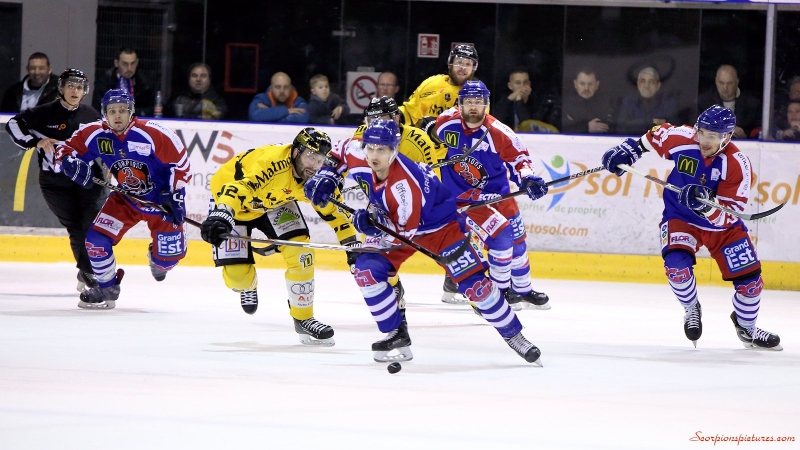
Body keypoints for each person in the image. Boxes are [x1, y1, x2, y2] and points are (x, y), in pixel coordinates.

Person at [304, 119, 542, 365]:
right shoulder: (358, 151)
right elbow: (340, 151)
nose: (374, 155)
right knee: (366, 271)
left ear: (394, 149)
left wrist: (371, 223)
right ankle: (396, 334)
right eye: (371, 148)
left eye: (381, 150)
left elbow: (402, 233)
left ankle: (515, 335)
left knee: (475, 286)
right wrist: (327, 175)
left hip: (440, 227)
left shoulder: (405, 186)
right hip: (394, 221)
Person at [601, 105, 781, 350]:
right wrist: (631, 150)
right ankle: (691, 308)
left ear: (727, 137)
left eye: (712, 136)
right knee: (676, 268)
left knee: (751, 285)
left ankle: (747, 328)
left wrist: (706, 207)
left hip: (722, 228)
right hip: (680, 217)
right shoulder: (683, 138)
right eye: (702, 132)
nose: (704, 140)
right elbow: (656, 135)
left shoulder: (737, 164)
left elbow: (730, 215)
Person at [199, 128, 357, 346]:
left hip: (275, 202)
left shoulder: (318, 177)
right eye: (311, 156)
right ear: (296, 152)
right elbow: (238, 188)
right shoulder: (272, 164)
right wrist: (222, 214)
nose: (314, 165)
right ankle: (248, 287)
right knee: (238, 278)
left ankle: (303, 318)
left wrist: (352, 246)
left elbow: (337, 215)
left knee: (302, 255)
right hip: (234, 204)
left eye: (320, 160)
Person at [54, 89, 192, 309]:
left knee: (165, 263)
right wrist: (69, 163)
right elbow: (64, 149)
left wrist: (173, 194)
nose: (117, 115)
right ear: (105, 114)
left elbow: (181, 165)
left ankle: (158, 256)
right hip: (126, 199)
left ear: (131, 112)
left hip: (161, 203)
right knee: (96, 241)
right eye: (112, 111)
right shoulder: (96, 134)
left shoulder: (154, 133)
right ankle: (107, 287)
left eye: (122, 110)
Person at [432, 80, 551, 309]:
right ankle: (500, 291)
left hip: (499, 196)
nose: (473, 106)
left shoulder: (498, 131)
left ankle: (523, 290)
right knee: (501, 239)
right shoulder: (446, 122)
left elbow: (520, 159)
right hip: (465, 201)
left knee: (518, 244)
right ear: (460, 104)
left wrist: (528, 178)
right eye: (468, 102)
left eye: (478, 102)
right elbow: (429, 132)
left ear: (486, 104)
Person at [5, 69, 103, 291]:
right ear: (61, 88)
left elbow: (107, 141)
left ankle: (88, 271)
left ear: (84, 91)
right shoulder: (44, 112)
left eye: (79, 87)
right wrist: (34, 142)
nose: (75, 90)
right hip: (55, 182)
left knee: (91, 224)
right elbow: (13, 125)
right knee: (75, 227)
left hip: (88, 179)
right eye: (71, 86)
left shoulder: (92, 115)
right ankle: (88, 272)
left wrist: (110, 163)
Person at [399, 44, 478, 127]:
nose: (463, 67)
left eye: (468, 64)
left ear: (473, 69)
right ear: (450, 64)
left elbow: (479, 124)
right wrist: (395, 114)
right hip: (424, 135)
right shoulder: (431, 83)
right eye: (459, 62)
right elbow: (409, 112)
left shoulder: (477, 92)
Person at [697, 64, 760, 139]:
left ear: (737, 82)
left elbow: (758, 131)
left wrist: (746, 136)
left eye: (729, 83)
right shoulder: (703, 102)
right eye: (721, 83)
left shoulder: (752, 104)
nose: (725, 87)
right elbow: (697, 128)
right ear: (716, 81)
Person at [92, 47, 156, 117]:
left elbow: (155, 109)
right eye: (125, 64)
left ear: (137, 62)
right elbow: (97, 109)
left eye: (133, 63)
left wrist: (133, 112)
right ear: (116, 63)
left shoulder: (145, 83)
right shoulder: (104, 83)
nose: (129, 68)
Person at [616, 67, 678, 135]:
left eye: (651, 82)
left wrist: (637, 124)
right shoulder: (628, 103)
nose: (646, 86)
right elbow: (621, 128)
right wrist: (651, 122)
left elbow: (674, 129)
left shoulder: (668, 104)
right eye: (643, 81)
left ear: (658, 86)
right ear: (638, 84)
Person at [493, 67, 558, 132]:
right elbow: (495, 122)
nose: (522, 86)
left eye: (525, 82)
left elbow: (528, 125)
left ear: (529, 84)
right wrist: (509, 99)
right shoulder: (504, 103)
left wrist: (519, 101)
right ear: (510, 86)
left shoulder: (537, 103)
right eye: (518, 83)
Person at [561, 68, 615, 134]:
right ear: (575, 84)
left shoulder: (606, 104)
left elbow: (610, 128)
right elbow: (561, 128)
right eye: (582, 84)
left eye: (590, 84)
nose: (586, 88)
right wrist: (586, 127)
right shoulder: (565, 105)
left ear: (597, 85)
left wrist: (576, 123)